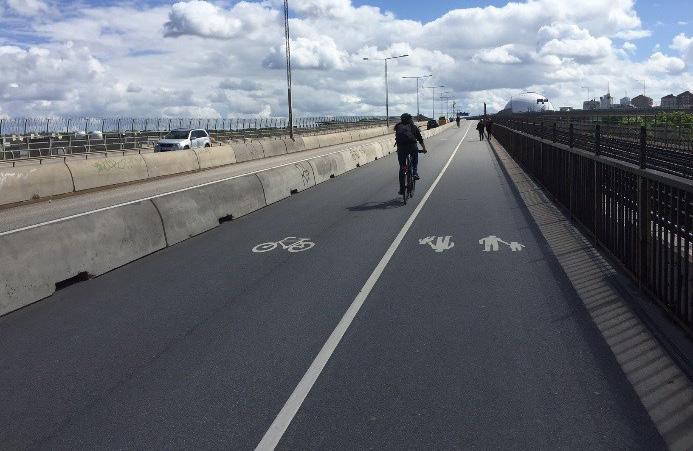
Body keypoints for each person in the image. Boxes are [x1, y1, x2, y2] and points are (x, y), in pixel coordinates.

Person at [394, 113, 427, 195]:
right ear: (410, 119)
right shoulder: (413, 127)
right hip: (412, 147)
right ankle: (415, 173)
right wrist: (424, 148)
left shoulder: (398, 127)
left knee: (402, 168)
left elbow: (397, 137)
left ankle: (402, 189)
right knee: (414, 159)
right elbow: (420, 139)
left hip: (401, 148)